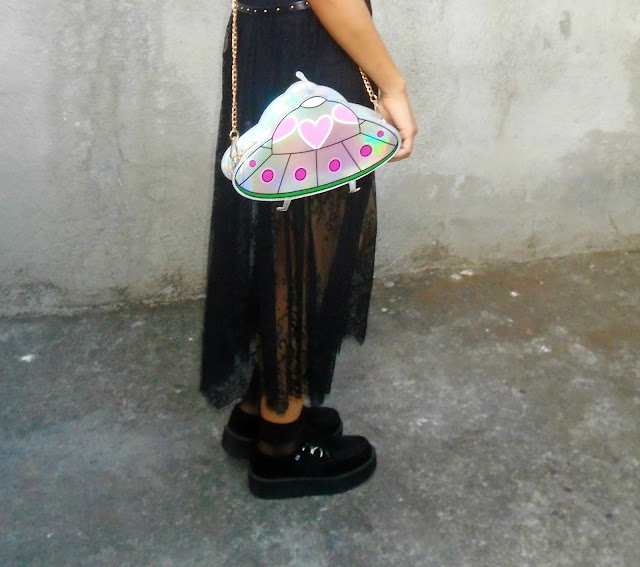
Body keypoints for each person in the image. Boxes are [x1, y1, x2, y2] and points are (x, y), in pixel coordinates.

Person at [200, 0, 417, 499]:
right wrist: (392, 85)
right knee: (307, 249)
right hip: (310, 46)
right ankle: (282, 445)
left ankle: (262, 406)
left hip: (265, 38)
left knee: (277, 236)